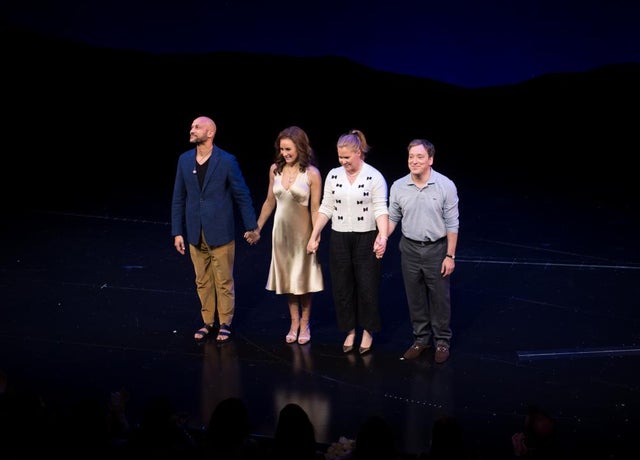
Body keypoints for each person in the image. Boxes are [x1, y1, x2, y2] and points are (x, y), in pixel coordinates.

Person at [171, 115, 258, 344]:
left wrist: (252, 226)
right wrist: (177, 231)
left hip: (220, 230)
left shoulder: (226, 161)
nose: (192, 130)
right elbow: (178, 197)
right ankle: (208, 321)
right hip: (194, 230)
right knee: (202, 279)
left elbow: (241, 194)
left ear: (210, 133)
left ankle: (225, 322)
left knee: (223, 280)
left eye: (197, 127)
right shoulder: (184, 160)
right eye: (192, 126)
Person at [306, 129, 389, 355]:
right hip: (340, 237)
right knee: (342, 286)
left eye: (347, 157)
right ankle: (350, 330)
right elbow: (326, 207)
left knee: (367, 286)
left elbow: (380, 208)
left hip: (366, 236)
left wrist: (382, 236)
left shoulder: (374, 176)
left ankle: (368, 331)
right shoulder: (334, 175)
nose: (343, 161)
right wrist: (314, 235)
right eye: (340, 157)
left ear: (358, 152)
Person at [244, 126, 324, 345]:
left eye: (288, 149)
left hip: (303, 234)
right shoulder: (275, 170)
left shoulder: (312, 174)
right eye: (281, 149)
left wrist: (315, 235)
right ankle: (294, 322)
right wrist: (257, 228)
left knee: (303, 279)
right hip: (280, 234)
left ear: (300, 147)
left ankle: (305, 323)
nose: (284, 153)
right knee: (288, 279)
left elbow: (315, 208)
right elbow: (269, 202)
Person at [387, 138, 459, 363]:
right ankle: (420, 340)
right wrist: (382, 237)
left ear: (430, 160)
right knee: (415, 297)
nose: (414, 161)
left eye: (420, 156)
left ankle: (442, 341)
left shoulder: (445, 185)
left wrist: (450, 255)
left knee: (439, 298)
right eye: (411, 156)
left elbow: (452, 223)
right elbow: (393, 217)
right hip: (409, 248)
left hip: (436, 249)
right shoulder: (399, 186)